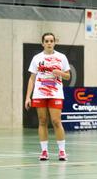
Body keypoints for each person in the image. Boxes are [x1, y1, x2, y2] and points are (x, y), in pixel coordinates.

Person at [24, 32, 70, 161]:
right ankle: (44, 151)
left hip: (55, 94)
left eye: (51, 41)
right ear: (42, 43)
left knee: (56, 121)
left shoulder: (62, 57)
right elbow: (32, 79)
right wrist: (28, 97)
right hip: (40, 93)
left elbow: (68, 76)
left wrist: (59, 72)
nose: (49, 43)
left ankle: (62, 151)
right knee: (42, 121)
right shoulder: (37, 58)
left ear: (55, 42)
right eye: (47, 41)